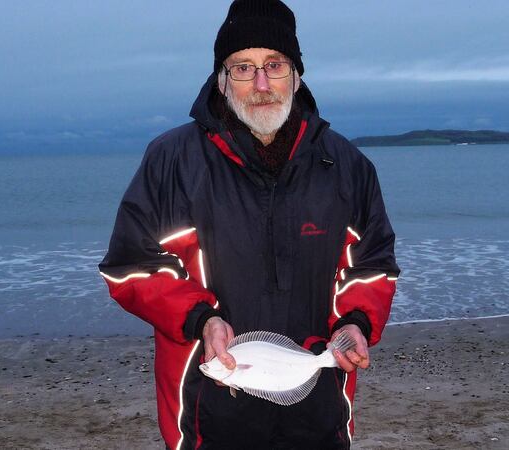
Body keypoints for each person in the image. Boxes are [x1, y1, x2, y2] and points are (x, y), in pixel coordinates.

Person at [98, 1, 399, 448]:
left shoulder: (347, 166)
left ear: (297, 75)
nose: (262, 83)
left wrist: (356, 321)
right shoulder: (171, 161)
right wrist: (202, 320)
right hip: (206, 411)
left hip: (318, 410)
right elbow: (131, 266)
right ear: (222, 79)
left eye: (274, 65)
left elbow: (372, 265)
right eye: (244, 67)